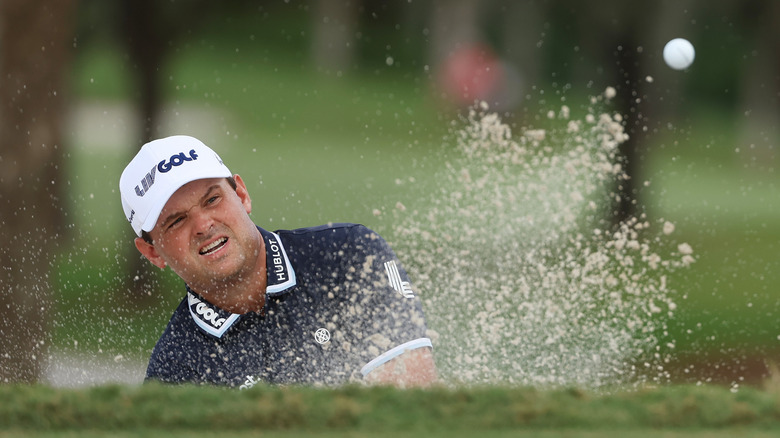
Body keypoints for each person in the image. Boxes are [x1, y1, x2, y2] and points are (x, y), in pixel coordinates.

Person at [119, 135, 436, 388]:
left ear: (241, 194)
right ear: (153, 253)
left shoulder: (348, 255)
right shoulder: (177, 372)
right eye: (176, 221)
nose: (203, 225)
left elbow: (411, 408)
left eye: (212, 199)